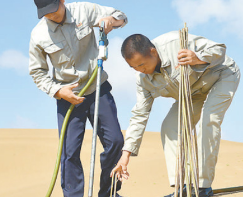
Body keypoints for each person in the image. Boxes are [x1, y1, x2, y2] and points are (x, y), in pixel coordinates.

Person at [111, 32, 240, 197]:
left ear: (153, 51)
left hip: (222, 75)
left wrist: (197, 57)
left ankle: (202, 187)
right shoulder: (142, 79)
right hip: (192, 92)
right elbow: (139, 115)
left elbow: (219, 50)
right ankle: (184, 187)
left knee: (209, 119)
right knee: (170, 127)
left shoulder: (174, 43)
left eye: (142, 64)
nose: (140, 70)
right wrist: (125, 155)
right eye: (134, 67)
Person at [29, 0, 127, 196]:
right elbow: (37, 72)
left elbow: (121, 16)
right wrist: (58, 91)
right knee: (69, 153)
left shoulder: (84, 10)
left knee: (115, 141)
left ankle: (108, 193)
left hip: (97, 87)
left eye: (53, 10)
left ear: (62, 1)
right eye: (45, 13)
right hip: (67, 96)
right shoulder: (38, 34)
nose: (51, 16)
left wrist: (111, 21)